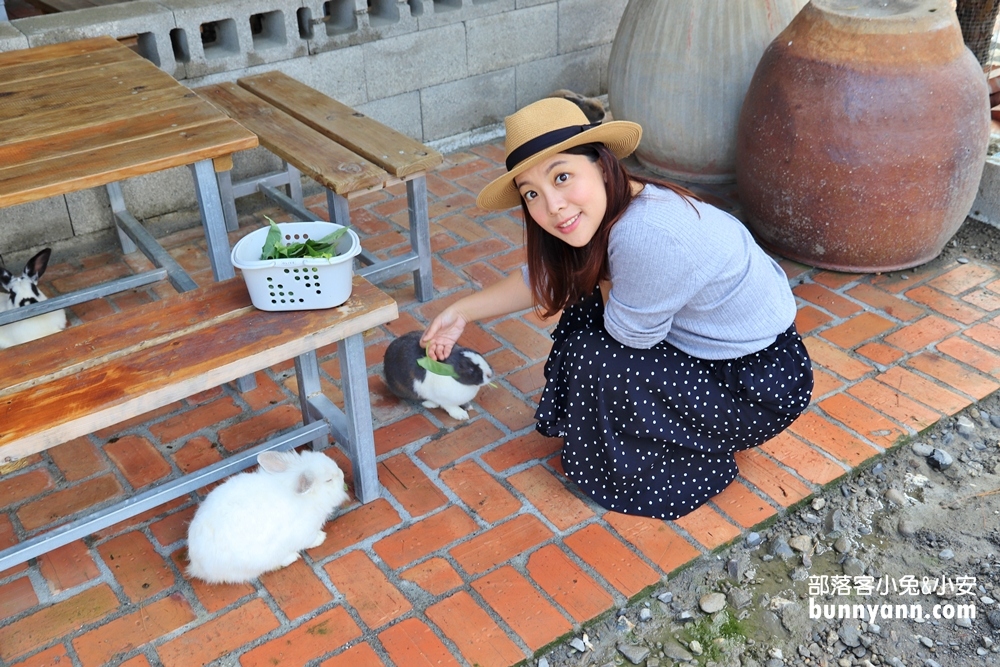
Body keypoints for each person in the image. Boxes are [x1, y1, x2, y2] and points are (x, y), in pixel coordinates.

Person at [421, 97, 813, 520]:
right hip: (726, 360)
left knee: (597, 351)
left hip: (756, 387)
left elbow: (628, 338)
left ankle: (672, 465)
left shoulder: (646, 233)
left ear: (601, 163)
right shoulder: (622, 202)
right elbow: (549, 276)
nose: (551, 205)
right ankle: (625, 434)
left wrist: (592, 282)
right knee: (585, 300)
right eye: (531, 193)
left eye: (563, 176)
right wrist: (463, 311)